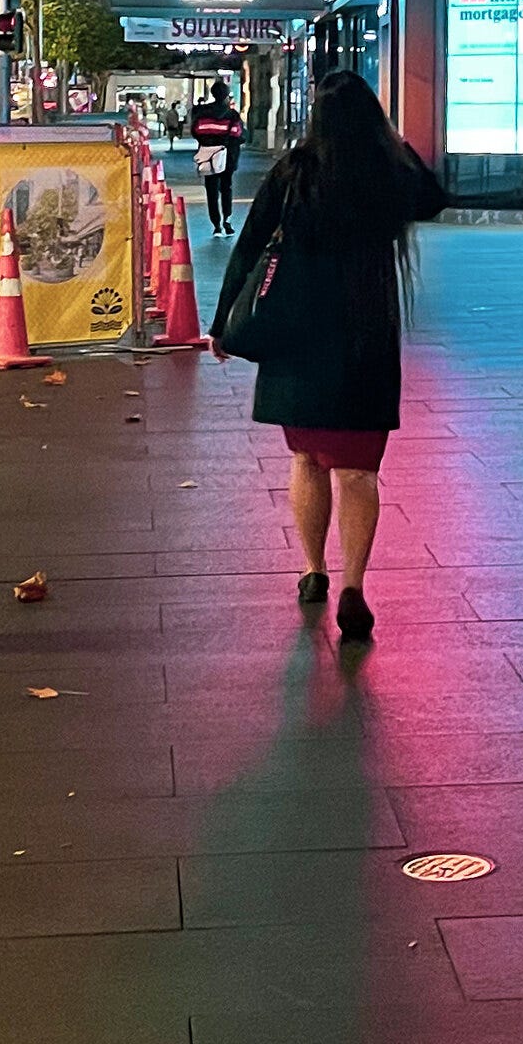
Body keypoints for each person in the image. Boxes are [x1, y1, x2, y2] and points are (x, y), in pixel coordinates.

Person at [210, 70, 445, 641]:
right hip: (365, 337)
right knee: (359, 471)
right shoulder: (385, 172)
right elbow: (434, 198)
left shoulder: (294, 171)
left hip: (296, 335)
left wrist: (222, 324)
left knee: (308, 459)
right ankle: (354, 587)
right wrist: (392, 140)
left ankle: (313, 570)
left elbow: (250, 244)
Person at [191, 76, 245, 235]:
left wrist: (208, 141)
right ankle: (227, 220)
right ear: (227, 94)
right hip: (228, 157)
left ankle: (216, 225)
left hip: (208, 155)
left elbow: (196, 132)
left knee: (211, 190)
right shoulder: (232, 115)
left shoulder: (202, 113)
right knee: (226, 188)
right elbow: (239, 135)